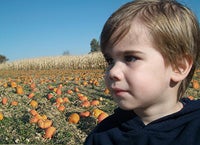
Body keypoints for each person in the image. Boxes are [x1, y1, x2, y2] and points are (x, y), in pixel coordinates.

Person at [84, 0, 200, 145]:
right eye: (110, 60)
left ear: (178, 67)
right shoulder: (101, 137)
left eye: (130, 58)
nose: (113, 71)